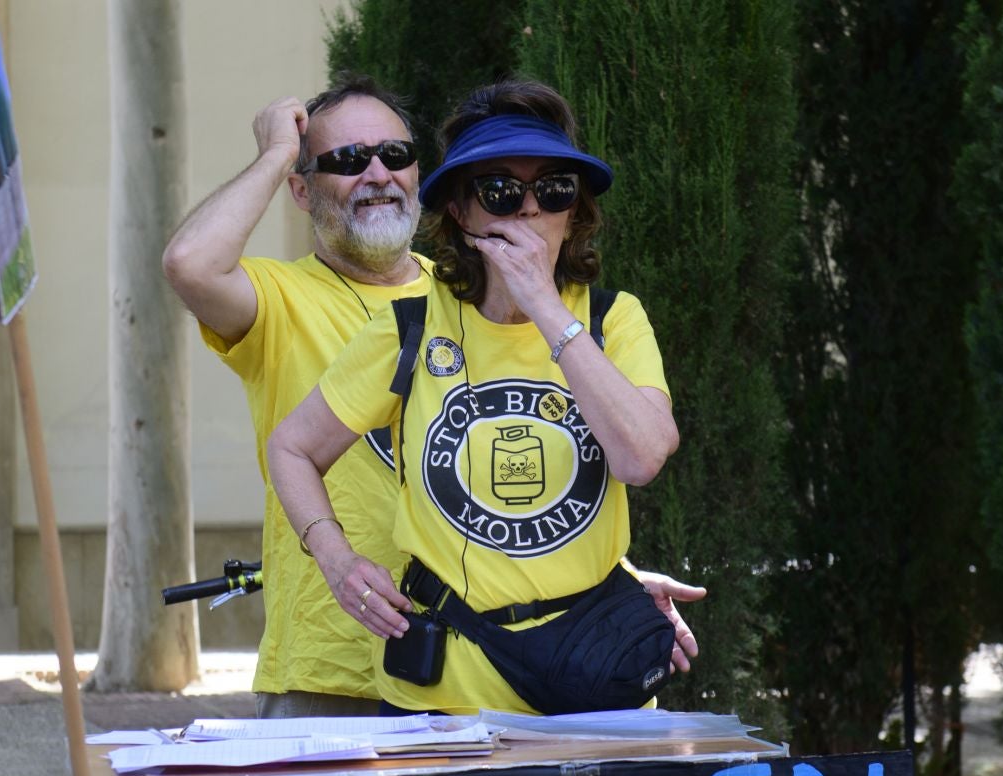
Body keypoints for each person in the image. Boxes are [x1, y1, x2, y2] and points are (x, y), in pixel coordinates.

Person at [268, 78, 698, 719]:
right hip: (446, 697)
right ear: (463, 215)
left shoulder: (613, 320)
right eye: (500, 191)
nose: (527, 210)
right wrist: (334, 558)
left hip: (589, 681)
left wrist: (546, 310)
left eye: (553, 191)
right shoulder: (410, 325)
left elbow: (642, 458)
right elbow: (292, 447)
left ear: (574, 214)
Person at [164, 75, 433, 718]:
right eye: (345, 161)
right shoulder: (279, 297)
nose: (377, 174)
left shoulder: (468, 294)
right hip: (328, 678)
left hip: (472, 666)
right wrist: (275, 154)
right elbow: (189, 264)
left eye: (394, 155)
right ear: (301, 190)